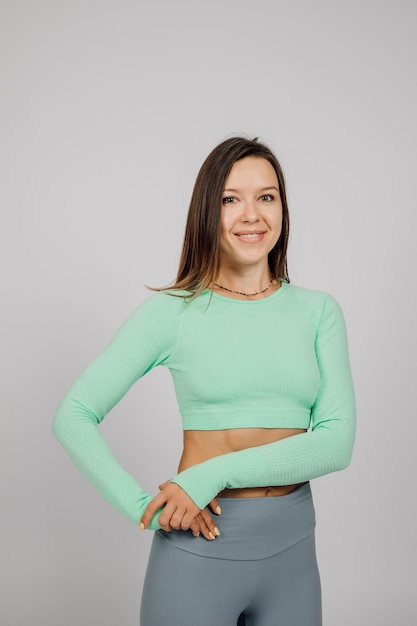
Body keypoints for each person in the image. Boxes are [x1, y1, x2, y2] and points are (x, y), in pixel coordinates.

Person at [52, 136, 356, 626]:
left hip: (294, 552)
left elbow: (336, 445)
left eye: (267, 196)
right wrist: (142, 506)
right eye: (230, 199)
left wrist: (208, 474)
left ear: (283, 207)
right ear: (206, 212)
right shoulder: (173, 312)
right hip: (198, 549)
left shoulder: (319, 312)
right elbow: (73, 416)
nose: (252, 215)